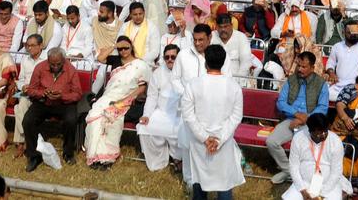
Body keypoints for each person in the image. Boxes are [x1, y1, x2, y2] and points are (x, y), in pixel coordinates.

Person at [181, 44, 245, 200]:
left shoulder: (193, 85)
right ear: (223, 62)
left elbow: (188, 115)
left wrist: (204, 137)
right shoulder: (234, 87)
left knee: (200, 181)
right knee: (223, 182)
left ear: (205, 62)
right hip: (222, 142)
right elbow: (236, 117)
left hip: (200, 142)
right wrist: (219, 139)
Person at [84, 35, 150, 168]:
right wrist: (114, 46)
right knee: (95, 117)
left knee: (110, 119)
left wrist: (125, 100)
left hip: (126, 99)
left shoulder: (140, 65)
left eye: (126, 47)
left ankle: (106, 158)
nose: (123, 51)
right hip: (108, 96)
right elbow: (100, 58)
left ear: (131, 47)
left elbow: (142, 88)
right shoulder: (116, 61)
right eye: (120, 49)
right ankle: (95, 155)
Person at [268, 50, 330, 183]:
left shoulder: (321, 84)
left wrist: (305, 118)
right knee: (271, 142)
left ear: (312, 68)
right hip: (291, 119)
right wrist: (296, 114)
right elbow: (281, 102)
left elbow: (323, 108)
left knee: (301, 147)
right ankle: (289, 171)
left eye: (304, 66)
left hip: (310, 123)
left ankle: (301, 174)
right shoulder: (291, 80)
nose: (300, 69)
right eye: (298, 65)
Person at [22, 47, 84, 172]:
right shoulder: (40, 67)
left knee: (71, 120)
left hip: (64, 103)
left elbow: (77, 94)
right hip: (43, 102)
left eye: (58, 64)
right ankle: (34, 156)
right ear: (48, 60)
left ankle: (68, 153)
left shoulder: (71, 69)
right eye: (52, 64)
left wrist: (62, 96)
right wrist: (43, 93)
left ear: (64, 60)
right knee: (28, 121)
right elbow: (31, 90)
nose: (55, 66)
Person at [282, 112, 350, 200]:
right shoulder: (299, 138)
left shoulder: (335, 141)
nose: (324, 135)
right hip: (304, 182)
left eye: (325, 131)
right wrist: (303, 191)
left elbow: (336, 172)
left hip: (328, 184)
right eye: (319, 133)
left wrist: (320, 196)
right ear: (310, 131)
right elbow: (294, 166)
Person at [138, 43, 183, 171]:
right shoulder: (157, 73)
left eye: (173, 57)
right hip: (161, 111)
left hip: (180, 113)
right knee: (144, 126)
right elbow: (152, 97)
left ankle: (178, 158)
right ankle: (157, 161)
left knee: (180, 129)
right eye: (167, 57)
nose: (170, 60)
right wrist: (147, 115)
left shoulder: (185, 72)